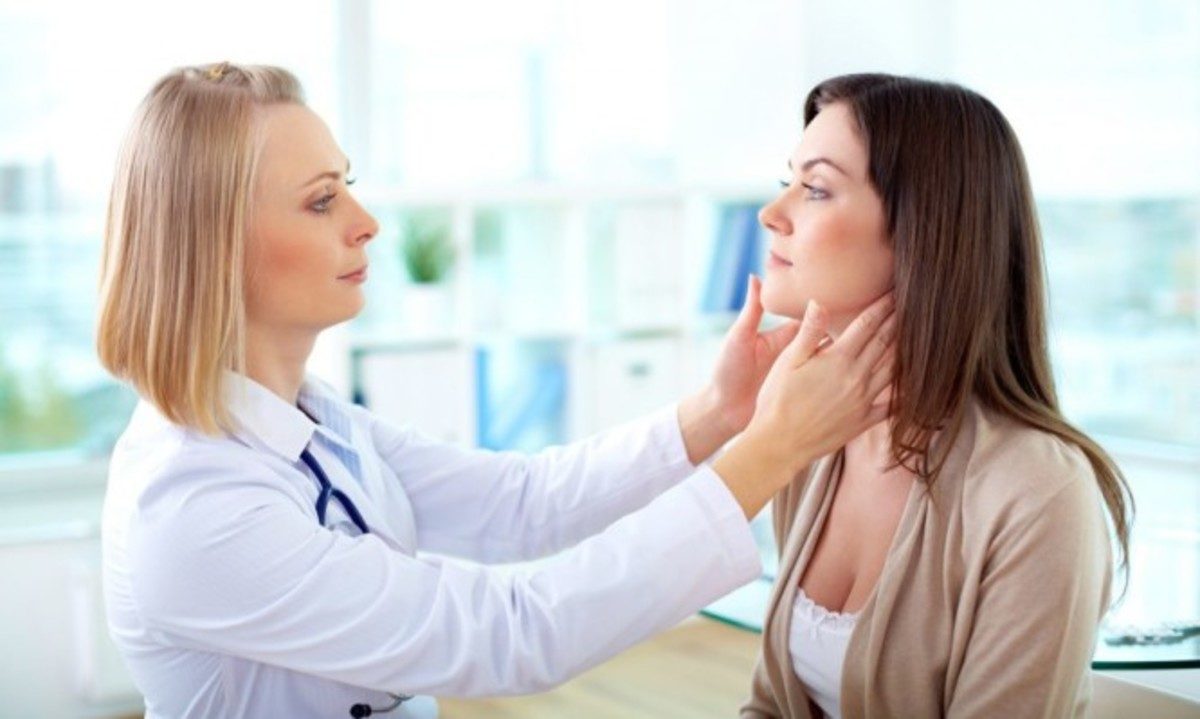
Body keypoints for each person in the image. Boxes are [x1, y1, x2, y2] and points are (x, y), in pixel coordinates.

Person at [96, 62, 895, 719]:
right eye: (321, 200)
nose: (366, 222)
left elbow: (524, 502)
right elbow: (514, 632)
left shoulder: (313, 417)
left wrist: (721, 412)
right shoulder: (192, 506)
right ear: (215, 247)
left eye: (348, 185)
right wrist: (772, 449)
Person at [740, 73, 1133, 718]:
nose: (771, 213)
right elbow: (770, 704)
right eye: (789, 181)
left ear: (924, 231)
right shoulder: (814, 442)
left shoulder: (1038, 492)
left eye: (815, 188)